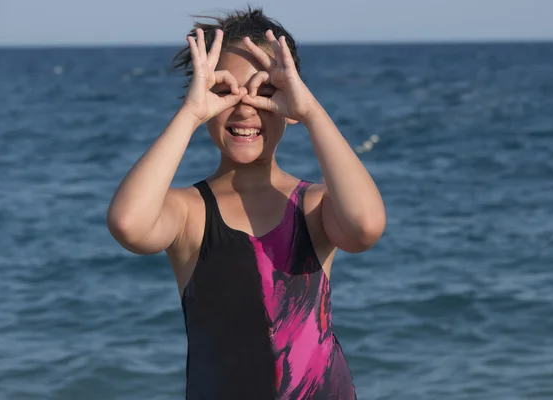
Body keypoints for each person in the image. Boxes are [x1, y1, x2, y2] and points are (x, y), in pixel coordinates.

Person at [107, 6, 385, 400]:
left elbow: (365, 227)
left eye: (266, 91)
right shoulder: (189, 213)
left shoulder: (313, 205)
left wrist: (310, 112)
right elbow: (128, 224)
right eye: (224, 91)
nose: (244, 106)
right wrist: (189, 114)